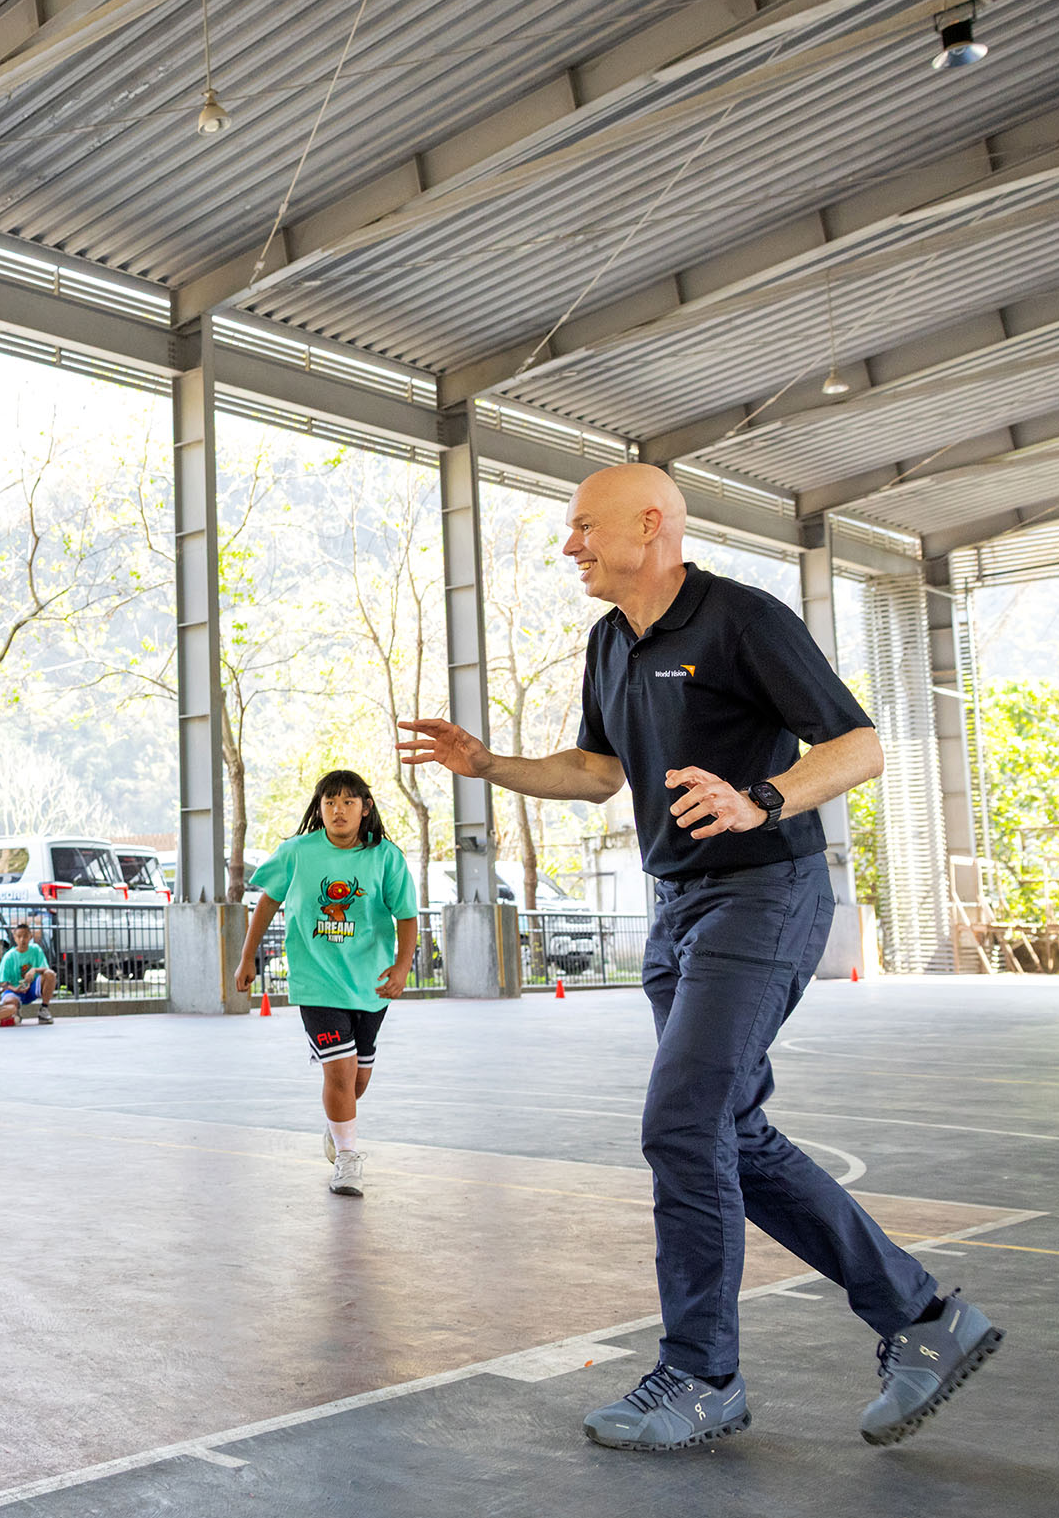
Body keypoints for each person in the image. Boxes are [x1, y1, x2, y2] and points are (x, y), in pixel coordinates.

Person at [399, 462, 999, 1453]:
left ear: (651, 524)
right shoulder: (609, 642)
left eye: (584, 526)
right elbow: (598, 771)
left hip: (763, 892)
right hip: (677, 910)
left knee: (683, 1118)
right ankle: (927, 1319)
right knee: (730, 1132)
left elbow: (857, 745)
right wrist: (488, 762)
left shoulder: (741, 619)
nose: (570, 546)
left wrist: (759, 796)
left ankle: (702, 1372)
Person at [233, 770, 418, 1197]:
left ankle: (337, 1129)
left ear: (364, 808)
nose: (339, 810)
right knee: (339, 1070)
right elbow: (267, 901)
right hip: (316, 983)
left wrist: (402, 967)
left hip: (369, 984)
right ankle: (349, 1160)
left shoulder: (385, 857)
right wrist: (248, 957)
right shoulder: (297, 853)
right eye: (330, 802)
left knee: (357, 1081)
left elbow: (407, 915)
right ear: (320, 809)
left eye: (348, 802)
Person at [0, 922, 58, 1024]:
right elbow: (3, 982)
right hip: (14, 990)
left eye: (25, 936)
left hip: (32, 987)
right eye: (19, 936)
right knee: (9, 1002)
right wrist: (15, 989)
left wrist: (34, 970)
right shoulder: (9, 957)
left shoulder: (36, 950)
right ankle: (16, 1010)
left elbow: (45, 968)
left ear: (30, 937)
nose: (22, 940)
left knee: (50, 974)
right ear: (14, 938)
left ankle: (44, 1009)